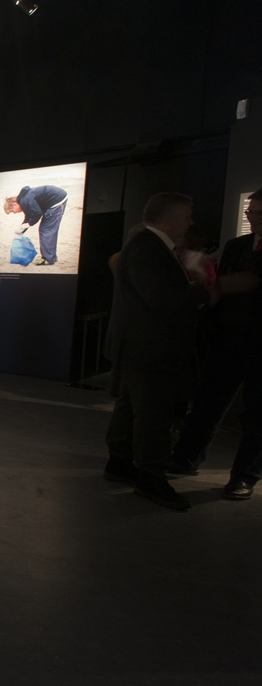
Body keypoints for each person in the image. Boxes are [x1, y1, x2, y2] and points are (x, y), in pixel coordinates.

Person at [102, 193, 213, 511]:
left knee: (130, 407)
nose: (190, 222)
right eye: (187, 216)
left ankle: (120, 462)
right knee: (154, 413)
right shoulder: (148, 248)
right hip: (149, 348)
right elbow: (161, 298)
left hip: (141, 346)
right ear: (169, 218)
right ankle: (151, 478)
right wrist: (204, 294)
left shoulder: (146, 246)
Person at [170, 190, 262, 498]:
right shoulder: (237, 246)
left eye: (259, 213)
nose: (252, 218)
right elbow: (218, 293)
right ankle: (185, 458)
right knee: (208, 403)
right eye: (250, 213)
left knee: (257, 414)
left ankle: (245, 476)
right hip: (228, 340)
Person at [3, 185, 68, 266]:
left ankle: (48, 259)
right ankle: (50, 257)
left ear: (14, 204)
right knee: (46, 229)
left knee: (46, 229)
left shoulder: (26, 200)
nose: (14, 213)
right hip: (57, 197)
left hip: (56, 200)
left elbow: (37, 213)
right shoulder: (24, 200)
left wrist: (28, 224)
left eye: (12, 211)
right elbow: (29, 216)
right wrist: (22, 229)